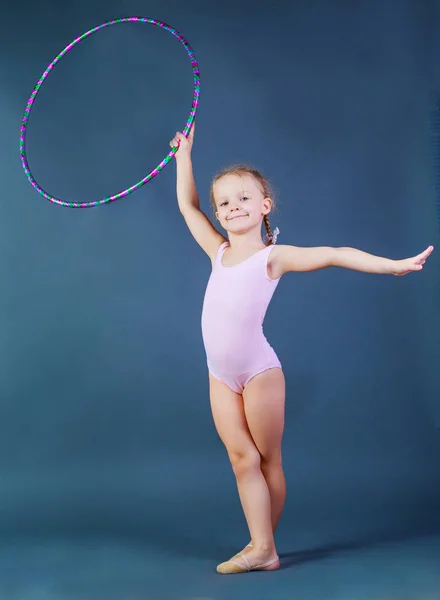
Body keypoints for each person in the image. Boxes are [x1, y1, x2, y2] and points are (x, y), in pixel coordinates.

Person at [169, 124, 434, 575]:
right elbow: (187, 206)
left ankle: (262, 547)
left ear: (264, 206)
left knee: (267, 458)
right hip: (218, 374)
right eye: (225, 202)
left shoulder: (273, 257)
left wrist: (392, 266)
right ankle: (263, 547)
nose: (233, 207)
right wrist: (184, 159)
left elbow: (333, 253)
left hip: (258, 372)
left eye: (244, 198)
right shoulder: (217, 251)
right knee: (241, 458)